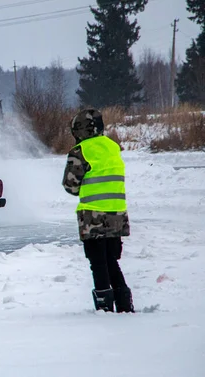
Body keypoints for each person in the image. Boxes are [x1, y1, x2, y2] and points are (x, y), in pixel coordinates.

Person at [62, 108, 134, 313]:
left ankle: (104, 307)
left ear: (79, 130)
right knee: (111, 260)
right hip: (117, 214)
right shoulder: (113, 147)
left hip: (93, 215)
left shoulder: (80, 151)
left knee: (98, 262)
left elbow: (71, 186)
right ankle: (124, 303)